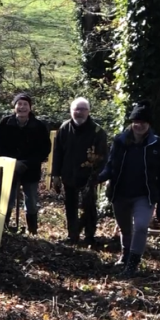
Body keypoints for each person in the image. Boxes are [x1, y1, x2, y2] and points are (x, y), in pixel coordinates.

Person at [95, 101, 160, 276]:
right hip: (120, 193)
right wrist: (98, 178)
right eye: (136, 121)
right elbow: (111, 166)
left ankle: (133, 264)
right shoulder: (120, 141)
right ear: (131, 122)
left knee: (142, 226)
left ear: (149, 124)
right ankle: (126, 255)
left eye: (143, 122)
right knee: (125, 228)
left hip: (144, 195)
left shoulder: (157, 145)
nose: (139, 125)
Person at [50, 97, 108, 246]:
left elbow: (102, 157)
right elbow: (57, 153)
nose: (79, 112)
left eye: (83, 109)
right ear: (71, 111)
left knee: (89, 206)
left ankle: (89, 236)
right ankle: (72, 236)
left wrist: (97, 177)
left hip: (89, 177)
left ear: (88, 112)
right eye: (76, 109)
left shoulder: (98, 131)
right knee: (70, 206)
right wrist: (55, 175)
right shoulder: (64, 128)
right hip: (69, 175)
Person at [0, 92, 51, 235]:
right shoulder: (5, 123)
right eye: (19, 104)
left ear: (30, 107)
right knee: (7, 200)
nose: (22, 107)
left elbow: (44, 149)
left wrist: (27, 163)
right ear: (14, 107)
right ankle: (4, 229)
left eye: (25, 104)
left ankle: (32, 230)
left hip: (31, 169)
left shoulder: (39, 126)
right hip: (9, 168)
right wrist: (12, 162)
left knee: (31, 201)